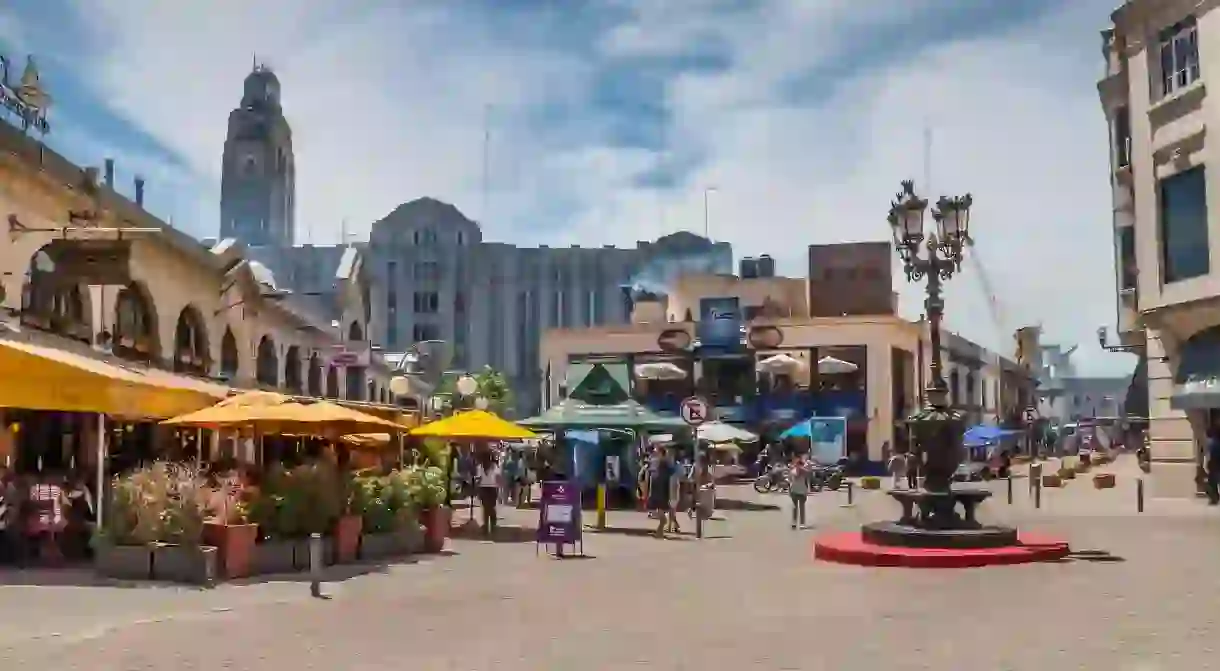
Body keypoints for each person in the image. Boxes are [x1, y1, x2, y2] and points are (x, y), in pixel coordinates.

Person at [475, 451, 502, 535]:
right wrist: (477, 487)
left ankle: (492, 523)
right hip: (484, 488)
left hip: (492, 488)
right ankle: (486, 526)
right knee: (486, 508)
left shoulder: (494, 467)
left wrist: (499, 490)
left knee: (491, 507)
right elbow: (478, 479)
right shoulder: (480, 467)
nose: (487, 461)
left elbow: (498, 479)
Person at [788, 455, 811, 530]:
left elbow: (790, 481)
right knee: (799, 507)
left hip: (797, 490)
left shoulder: (794, 471)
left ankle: (797, 523)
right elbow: (791, 481)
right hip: (798, 490)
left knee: (797, 507)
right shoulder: (800, 471)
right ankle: (799, 523)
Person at [1207, 420, 1220, 505]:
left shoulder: (1213, 443)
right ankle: (1214, 495)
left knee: (1213, 478)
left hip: (1215, 459)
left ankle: (1214, 496)